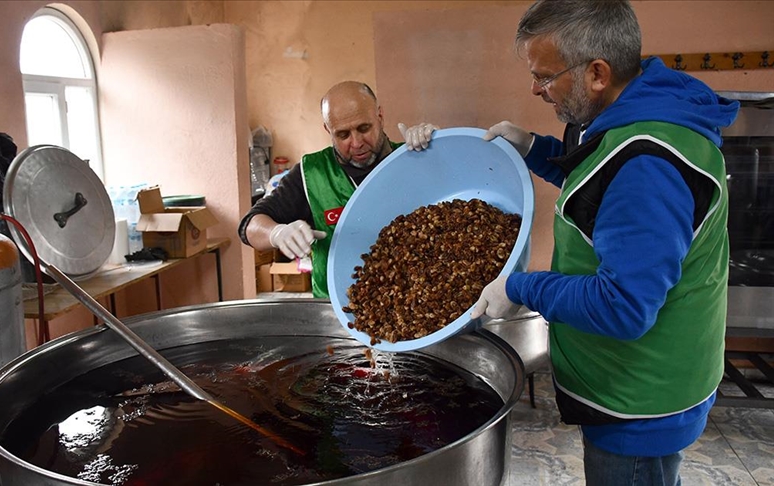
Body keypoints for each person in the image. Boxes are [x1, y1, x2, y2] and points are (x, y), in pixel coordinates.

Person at [407, 1, 738, 484]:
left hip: (640, 401)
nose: (535, 89)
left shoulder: (648, 166)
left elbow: (623, 306)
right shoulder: (634, 110)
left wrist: (519, 288)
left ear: (597, 73)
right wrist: (537, 150)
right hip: (639, 380)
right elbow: (601, 187)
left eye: (544, 77)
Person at [239, 81, 433, 298]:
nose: (357, 142)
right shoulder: (312, 174)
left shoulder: (412, 159)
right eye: (343, 135)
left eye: (364, 128)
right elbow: (249, 225)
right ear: (328, 130)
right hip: (338, 312)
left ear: (380, 116)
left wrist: (441, 149)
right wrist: (276, 233)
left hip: (418, 302)